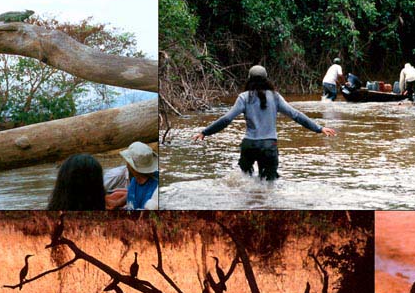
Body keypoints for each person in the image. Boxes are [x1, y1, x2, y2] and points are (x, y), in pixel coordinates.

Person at [192, 65, 336, 181]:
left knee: (245, 181)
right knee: (268, 186)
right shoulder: (275, 97)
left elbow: (226, 119)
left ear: (249, 79)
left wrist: (205, 132)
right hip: (269, 146)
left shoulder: (243, 97)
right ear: (267, 79)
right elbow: (296, 115)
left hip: (249, 145)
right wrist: (319, 128)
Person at [104, 142, 158, 210]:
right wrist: (117, 203)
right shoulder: (135, 179)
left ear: (131, 166)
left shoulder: (154, 191)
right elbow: (131, 193)